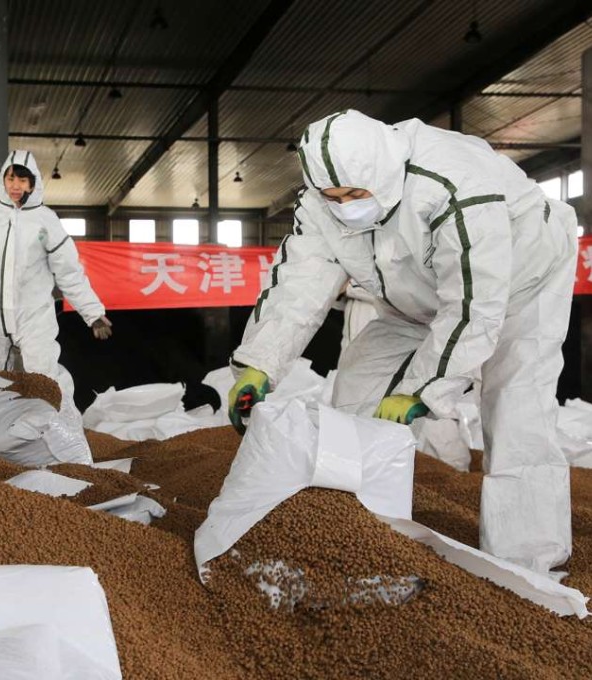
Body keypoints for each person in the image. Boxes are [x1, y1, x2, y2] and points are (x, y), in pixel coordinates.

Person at [228, 110, 577, 574]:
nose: (345, 205)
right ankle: (365, 531)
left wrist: (420, 388)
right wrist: (259, 364)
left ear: (384, 173)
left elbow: (475, 304)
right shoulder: (319, 205)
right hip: (412, 292)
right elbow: (298, 284)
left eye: (355, 194)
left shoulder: (455, 184)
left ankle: (529, 561)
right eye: (333, 196)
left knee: (515, 405)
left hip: (521, 281)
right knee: (358, 383)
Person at [0, 150, 111, 381]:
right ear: (3, 180)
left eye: (22, 180)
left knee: (45, 380)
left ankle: (52, 418)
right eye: (10, 179)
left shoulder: (46, 221)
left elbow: (69, 271)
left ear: (33, 185)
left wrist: (93, 312)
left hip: (33, 317)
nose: (15, 186)